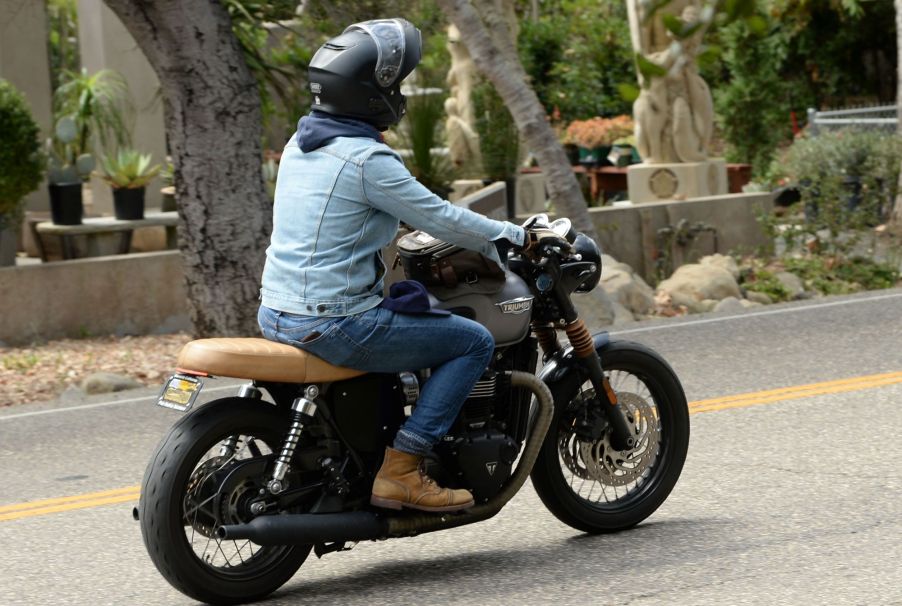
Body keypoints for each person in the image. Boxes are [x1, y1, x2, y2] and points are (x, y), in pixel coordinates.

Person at [258, 18, 558, 513]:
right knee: (471, 341)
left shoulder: (302, 144)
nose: (399, 95)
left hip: (278, 310)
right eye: (393, 85)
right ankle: (402, 470)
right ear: (369, 95)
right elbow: (441, 217)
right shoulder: (366, 160)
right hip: (336, 320)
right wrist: (516, 236)